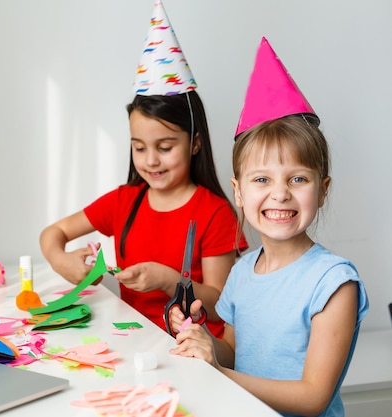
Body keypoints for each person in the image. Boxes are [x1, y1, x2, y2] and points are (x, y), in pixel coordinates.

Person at [168, 37, 369, 417]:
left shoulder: (333, 283)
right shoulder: (242, 270)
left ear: (322, 190)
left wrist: (219, 370)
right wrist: (204, 341)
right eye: (261, 180)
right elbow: (234, 353)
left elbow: (312, 398)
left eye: (297, 179)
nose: (280, 195)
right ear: (239, 192)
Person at [40, 0, 247, 336]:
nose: (151, 160)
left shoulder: (215, 214)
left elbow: (221, 302)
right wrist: (59, 259)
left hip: (194, 349)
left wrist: (168, 281)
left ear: (195, 143)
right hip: (135, 342)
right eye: (139, 147)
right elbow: (53, 234)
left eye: (165, 148)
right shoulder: (124, 202)